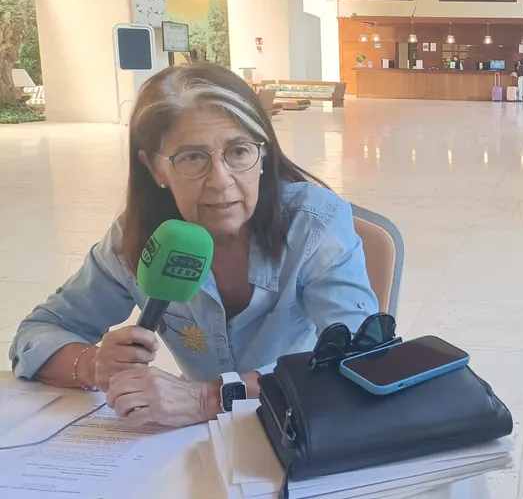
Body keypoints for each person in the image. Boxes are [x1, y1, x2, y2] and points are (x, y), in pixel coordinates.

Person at [9, 63, 378, 427]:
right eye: (192, 157)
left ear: (262, 154)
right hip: (193, 443)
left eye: (238, 151)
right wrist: (92, 363)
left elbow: (361, 363)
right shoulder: (137, 239)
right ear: (155, 168)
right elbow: (37, 334)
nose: (220, 181)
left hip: (300, 421)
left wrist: (210, 397)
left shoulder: (315, 224)